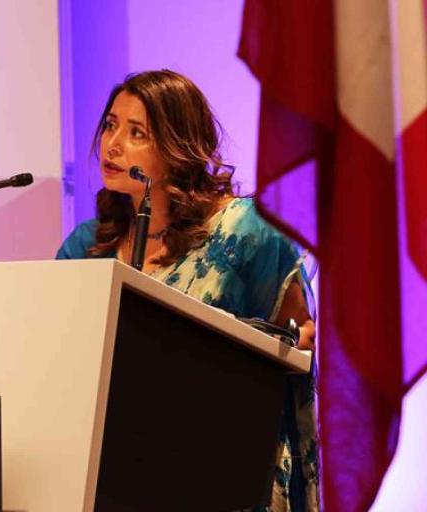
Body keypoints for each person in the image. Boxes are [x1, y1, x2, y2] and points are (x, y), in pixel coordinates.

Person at [56, 70, 319, 511]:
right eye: (110, 125)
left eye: (136, 132)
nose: (112, 144)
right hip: (111, 476)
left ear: (178, 148)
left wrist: (295, 339)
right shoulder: (86, 246)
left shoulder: (245, 231)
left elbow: (299, 334)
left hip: (218, 472)